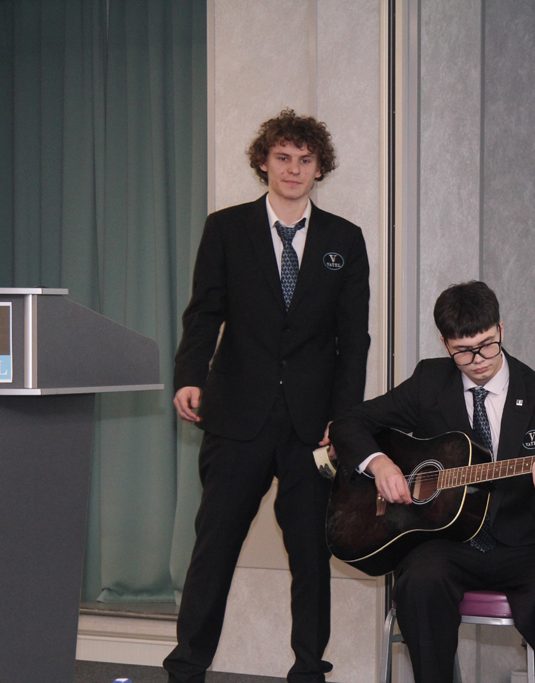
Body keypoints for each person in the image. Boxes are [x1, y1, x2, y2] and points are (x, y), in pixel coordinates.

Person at [164, 109, 371, 683]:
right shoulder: (225, 229)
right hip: (235, 416)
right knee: (213, 549)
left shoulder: (344, 240)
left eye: (305, 160)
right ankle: (186, 668)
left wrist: (344, 420)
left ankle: (309, 670)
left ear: (320, 168)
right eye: (283, 157)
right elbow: (203, 314)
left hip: (312, 427)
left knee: (311, 556)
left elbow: (353, 342)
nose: (293, 169)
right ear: (263, 162)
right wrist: (189, 375)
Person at [329, 281, 535, 683]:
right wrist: (380, 464)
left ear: (501, 329)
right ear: (445, 344)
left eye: (487, 345)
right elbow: (349, 422)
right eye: (463, 351)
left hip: (525, 542)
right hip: (447, 542)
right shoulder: (430, 382)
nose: (478, 360)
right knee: (418, 584)